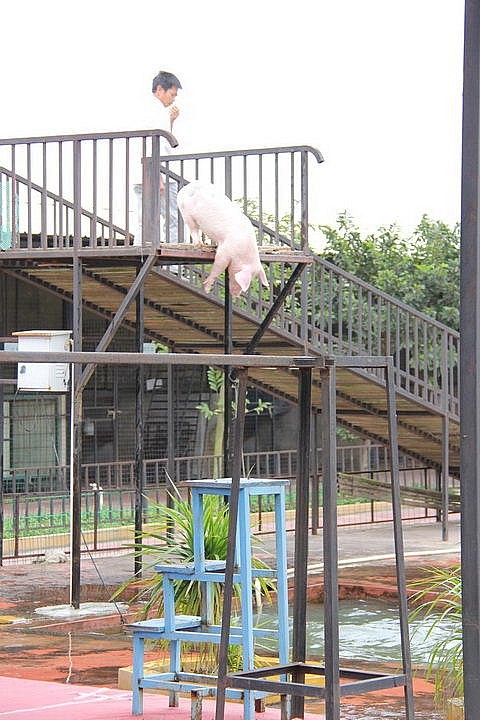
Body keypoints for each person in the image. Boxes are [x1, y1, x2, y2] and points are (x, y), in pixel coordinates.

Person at [134, 70, 183, 245]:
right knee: (172, 218)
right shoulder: (158, 111)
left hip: (142, 174)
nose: (173, 99)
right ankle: (173, 256)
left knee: (145, 219)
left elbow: (156, 141)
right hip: (159, 173)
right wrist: (159, 177)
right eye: (172, 94)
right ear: (160, 89)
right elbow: (156, 145)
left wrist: (171, 122)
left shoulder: (144, 110)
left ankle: (141, 252)